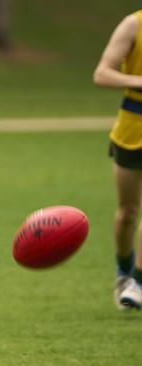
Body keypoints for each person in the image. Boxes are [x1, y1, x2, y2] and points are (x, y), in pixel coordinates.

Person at [94, 10, 142, 310]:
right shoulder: (133, 24)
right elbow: (102, 73)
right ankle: (124, 273)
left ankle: (138, 280)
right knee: (128, 212)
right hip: (132, 128)